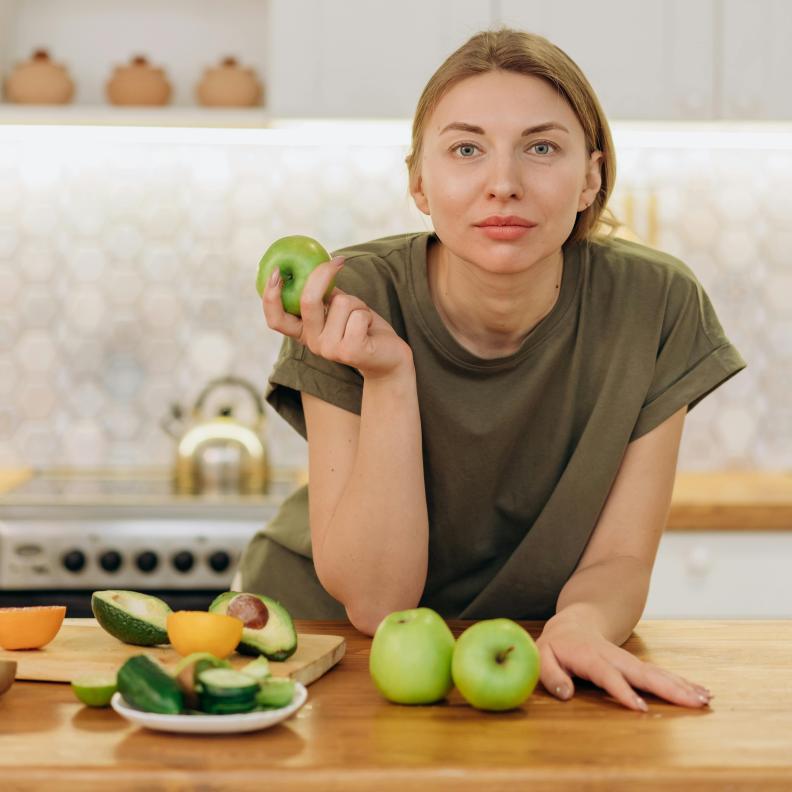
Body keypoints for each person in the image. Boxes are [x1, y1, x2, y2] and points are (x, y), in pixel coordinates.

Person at [237, 27, 746, 712]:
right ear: (419, 182)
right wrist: (389, 378)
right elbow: (377, 602)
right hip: (322, 644)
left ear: (590, 176)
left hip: (529, 650)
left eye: (541, 148)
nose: (503, 185)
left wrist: (582, 625)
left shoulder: (655, 303)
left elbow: (621, 557)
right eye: (466, 149)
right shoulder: (350, 298)